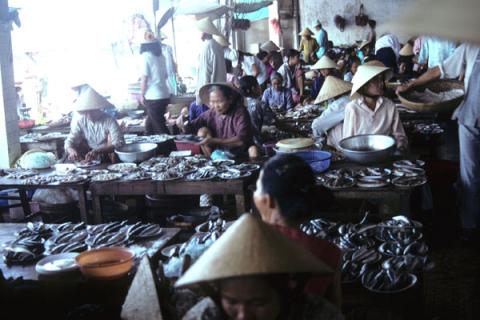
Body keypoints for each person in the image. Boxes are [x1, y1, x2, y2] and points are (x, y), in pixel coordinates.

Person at [176, 214, 344, 320]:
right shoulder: (207, 314)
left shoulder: (317, 313)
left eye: (258, 303)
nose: (243, 316)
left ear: (284, 293)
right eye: (232, 302)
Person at [397, 42, 480, 242]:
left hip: (471, 117)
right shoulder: (471, 46)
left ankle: (469, 221)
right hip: (471, 118)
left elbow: (440, 70)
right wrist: (413, 84)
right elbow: (440, 70)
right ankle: (469, 225)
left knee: (471, 175)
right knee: (470, 175)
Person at [254, 154, 342, 307]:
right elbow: (335, 307)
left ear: (268, 200)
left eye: (257, 188)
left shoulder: (246, 245)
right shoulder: (331, 253)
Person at [176, 82, 257, 159]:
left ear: (230, 99)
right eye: (212, 102)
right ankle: (215, 164)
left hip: (240, 153)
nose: (216, 106)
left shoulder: (240, 112)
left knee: (253, 150)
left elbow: (241, 140)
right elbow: (191, 127)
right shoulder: (210, 113)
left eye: (220, 101)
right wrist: (183, 122)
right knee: (202, 131)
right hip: (219, 154)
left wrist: (214, 141)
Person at [343, 65, 408, 151]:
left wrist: (401, 146)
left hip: (385, 152)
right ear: (364, 85)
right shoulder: (352, 108)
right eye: (376, 80)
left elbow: (399, 135)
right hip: (360, 153)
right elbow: (347, 141)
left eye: (381, 79)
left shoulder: (389, 105)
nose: (381, 83)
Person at [65, 87, 124, 162]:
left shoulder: (110, 121)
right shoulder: (81, 122)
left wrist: (98, 151)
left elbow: (118, 143)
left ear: (99, 109)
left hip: (108, 155)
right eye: (86, 111)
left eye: (92, 111)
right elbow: (69, 141)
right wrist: (71, 151)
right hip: (89, 156)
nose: (89, 115)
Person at [139, 31, 170, 135]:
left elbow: (144, 79)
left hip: (153, 97)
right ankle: (150, 148)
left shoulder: (145, 56)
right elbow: (166, 76)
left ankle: (171, 148)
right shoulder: (161, 57)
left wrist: (142, 94)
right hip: (164, 94)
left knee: (160, 127)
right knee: (149, 126)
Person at [312, 76, 352, 149]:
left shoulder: (340, 103)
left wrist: (319, 139)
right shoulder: (351, 98)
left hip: (345, 144)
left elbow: (316, 125)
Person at [195, 18, 227, 104]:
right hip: (219, 90)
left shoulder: (207, 47)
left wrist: (202, 95)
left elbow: (206, 73)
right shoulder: (217, 46)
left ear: (204, 32)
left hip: (210, 94)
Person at [239, 76, 271, 146]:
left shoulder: (238, 104)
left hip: (240, 144)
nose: (259, 87)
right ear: (253, 88)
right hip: (256, 144)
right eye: (258, 85)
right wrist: (295, 130)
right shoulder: (260, 104)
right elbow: (275, 123)